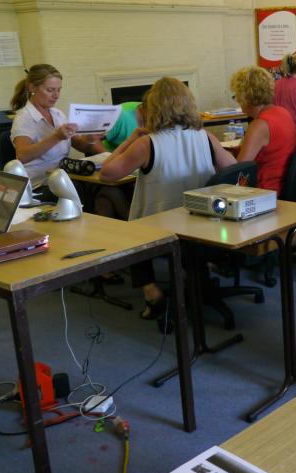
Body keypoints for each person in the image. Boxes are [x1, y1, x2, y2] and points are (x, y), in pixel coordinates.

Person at [100, 77, 236, 318]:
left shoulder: (147, 143)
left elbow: (106, 174)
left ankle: (151, 291)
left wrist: (130, 140)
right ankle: (194, 273)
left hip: (162, 228)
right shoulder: (205, 137)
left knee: (133, 226)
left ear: (153, 108)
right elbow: (234, 169)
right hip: (204, 222)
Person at [9, 64, 103, 188]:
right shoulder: (24, 117)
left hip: (62, 178)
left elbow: (81, 146)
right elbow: (23, 156)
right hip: (39, 184)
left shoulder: (58, 114)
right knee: (90, 189)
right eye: (50, 90)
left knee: (101, 186)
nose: (56, 96)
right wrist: (56, 137)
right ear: (32, 87)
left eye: (59, 90)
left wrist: (90, 139)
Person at [230, 66, 296, 194]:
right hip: (282, 185)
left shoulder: (259, 125)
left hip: (264, 190)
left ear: (245, 96)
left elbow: (239, 171)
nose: (237, 100)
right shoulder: (283, 112)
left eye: (237, 95)